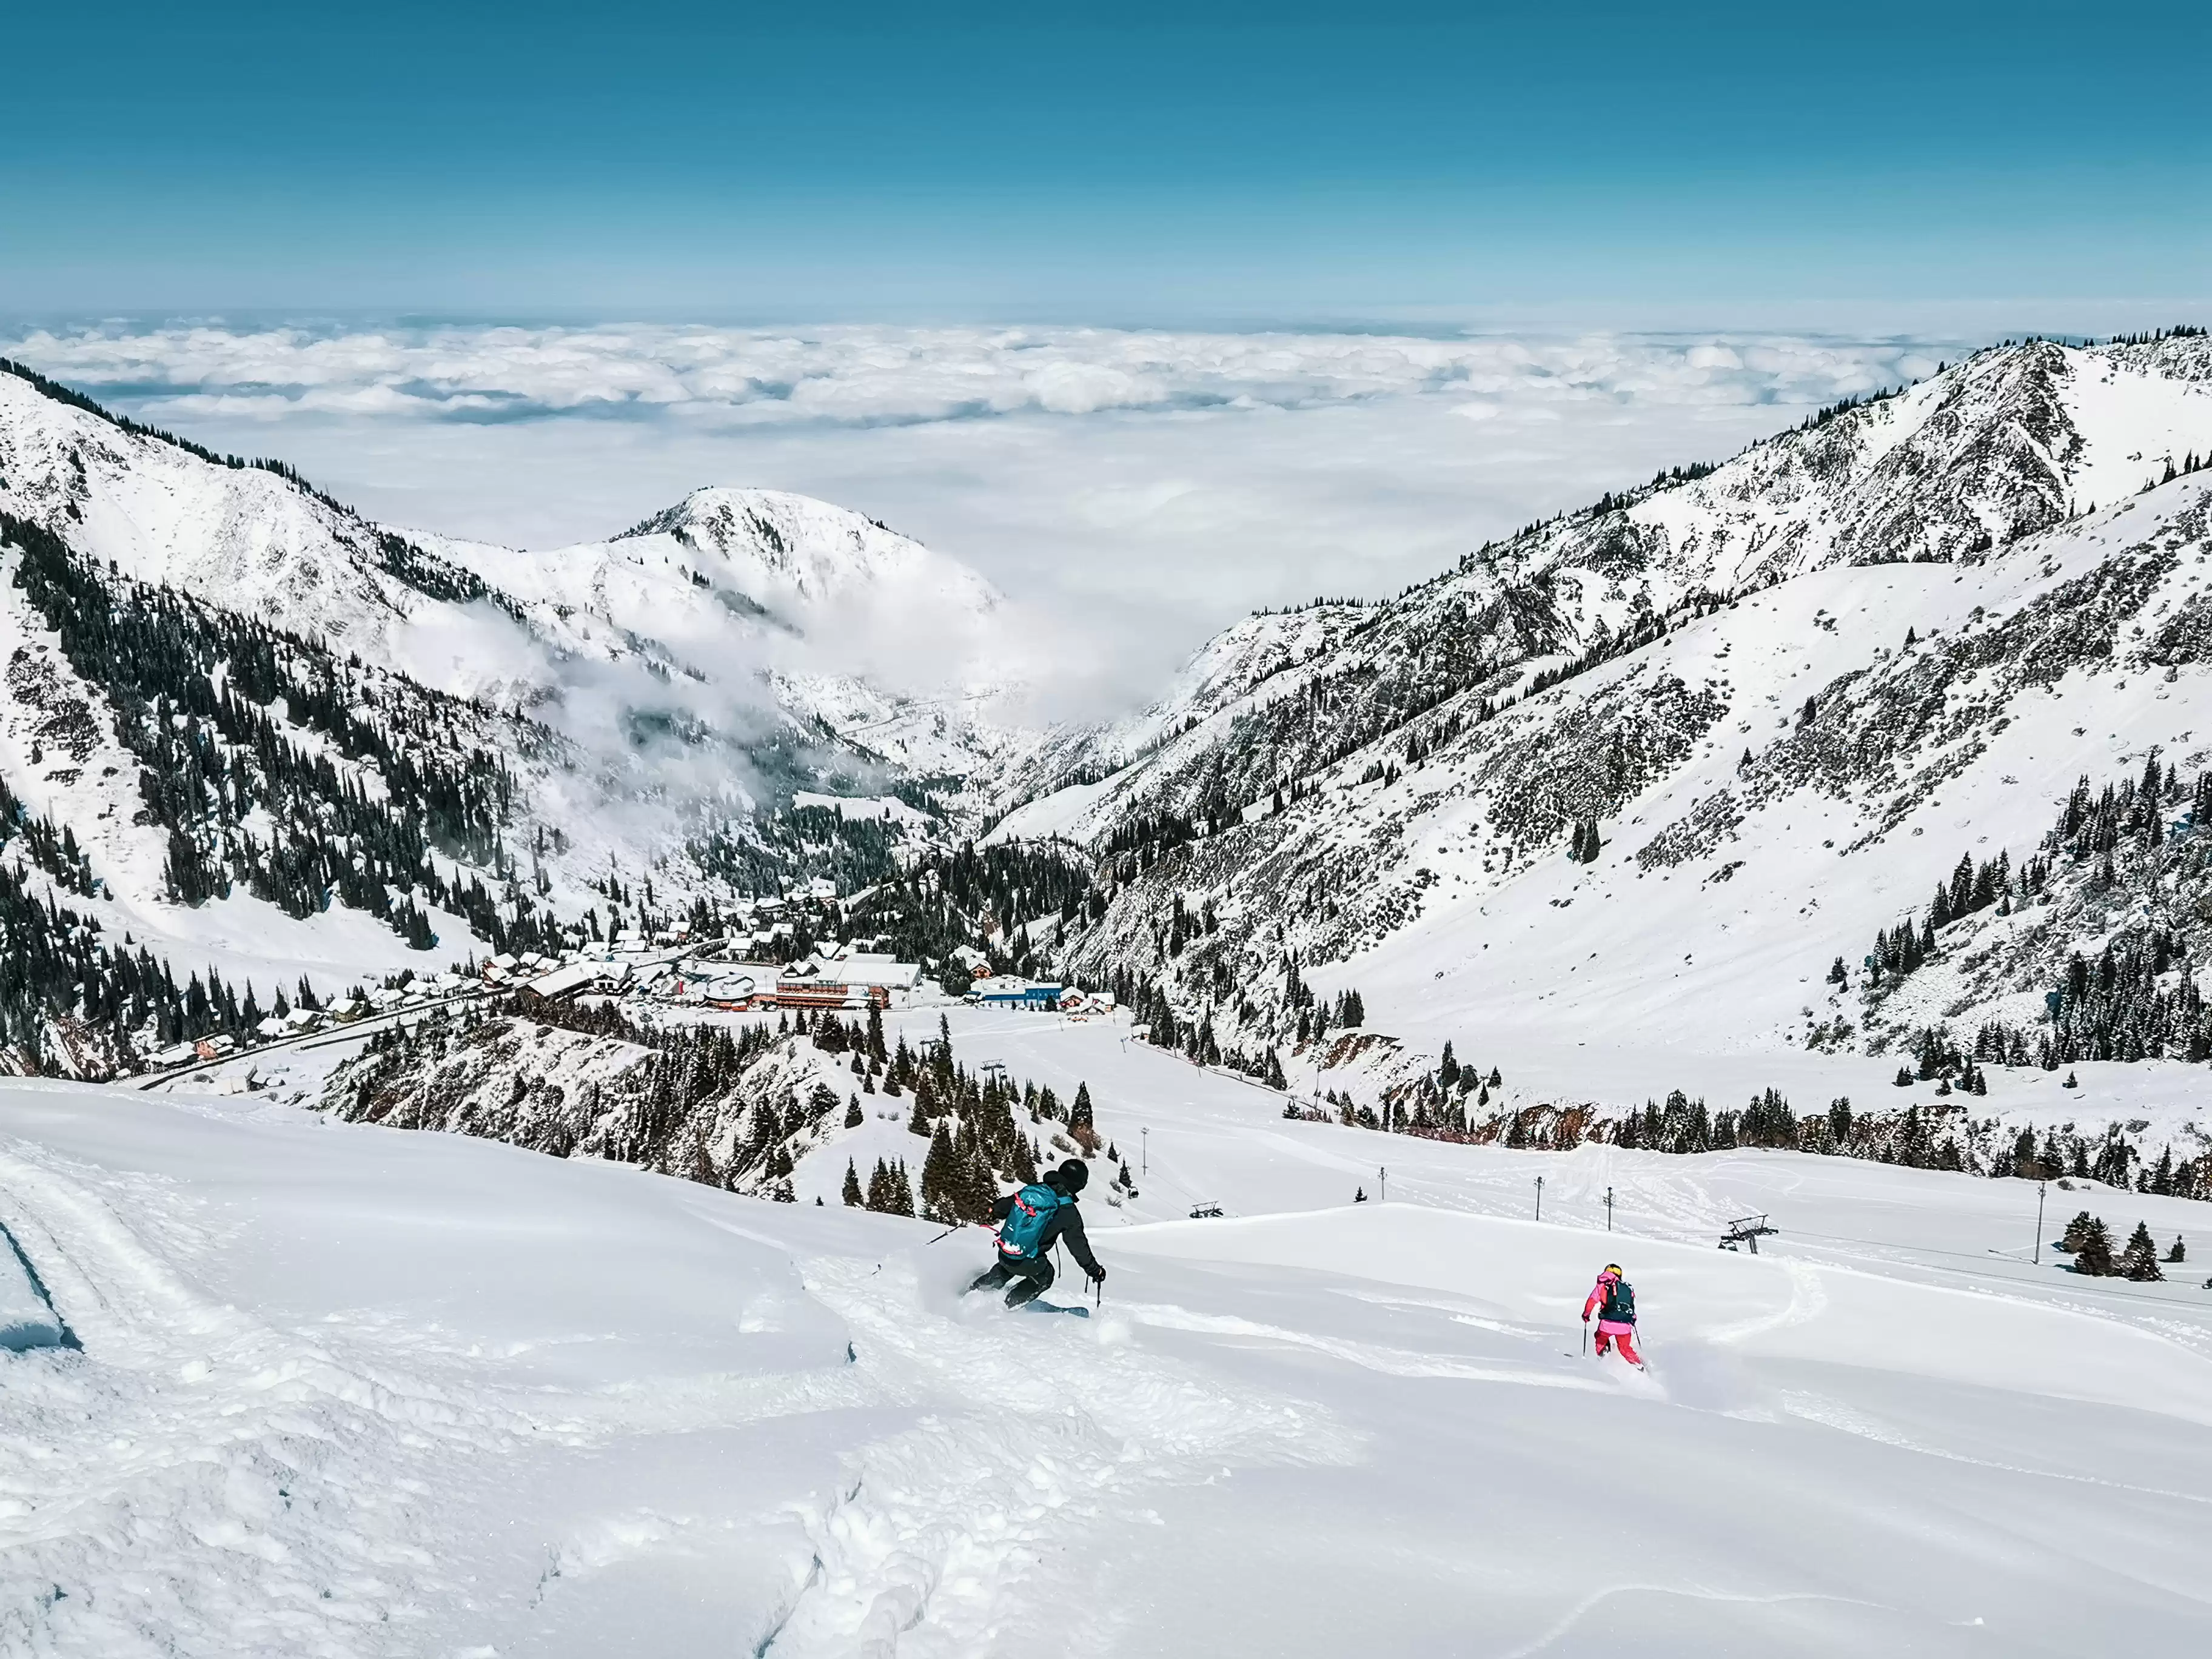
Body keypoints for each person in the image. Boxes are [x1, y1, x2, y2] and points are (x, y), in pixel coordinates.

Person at [967, 1158, 1105, 1309]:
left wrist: (993, 1209)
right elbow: (1078, 1246)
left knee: (1005, 1268)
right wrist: (1095, 1270)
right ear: (1079, 1185)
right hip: (1028, 1263)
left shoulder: (1035, 1191)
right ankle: (1005, 1306)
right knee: (1046, 1275)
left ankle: (972, 1293)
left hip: (1005, 1251)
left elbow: (1004, 1207)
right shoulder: (1069, 1212)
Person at [1581, 1263, 1643, 1368]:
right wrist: (1632, 1319)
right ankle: (1639, 1366)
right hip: (1625, 1325)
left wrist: (1586, 1315)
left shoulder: (1603, 1285)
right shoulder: (1627, 1288)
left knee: (1600, 1337)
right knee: (1625, 1348)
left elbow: (1592, 1301)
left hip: (1607, 1323)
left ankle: (1603, 1359)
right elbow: (1631, 1307)